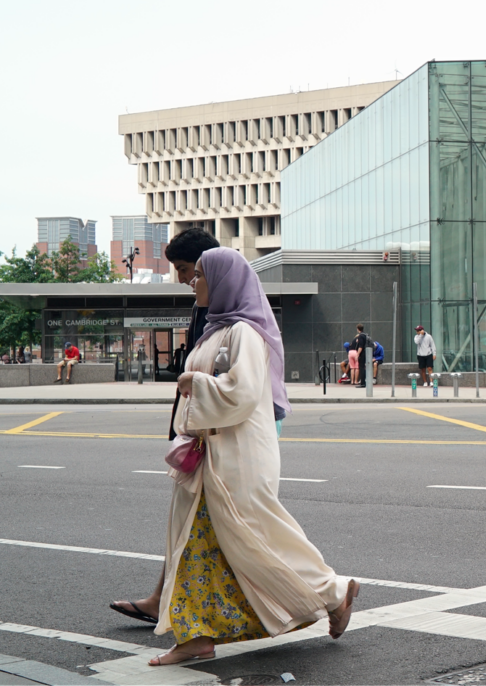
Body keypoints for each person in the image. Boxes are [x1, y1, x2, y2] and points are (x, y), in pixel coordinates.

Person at [148, 246, 358, 666]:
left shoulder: (244, 333)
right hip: (212, 457)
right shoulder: (215, 331)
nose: (194, 282)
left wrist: (193, 381)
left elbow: (240, 394)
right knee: (197, 546)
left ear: (223, 280)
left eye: (201, 275)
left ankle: (333, 592)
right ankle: (196, 635)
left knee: (256, 538)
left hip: (238, 458)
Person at [110, 227, 220, 628]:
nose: (182, 278)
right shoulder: (202, 303)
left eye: (187, 269)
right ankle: (167, 602)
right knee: (191, 524)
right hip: (194, 433)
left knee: (238, 531)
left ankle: (325, 596)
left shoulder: (224, 311)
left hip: (210, 436)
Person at [351, 324, 370, 388]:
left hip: (362, 354)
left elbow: (361, 346)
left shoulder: (360, 336)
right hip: (366, 353)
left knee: (361, 368)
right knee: (363, 367)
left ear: (358, 329)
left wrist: (357, 354)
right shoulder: (365, 335)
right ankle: (364, 382)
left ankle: (363, 383)